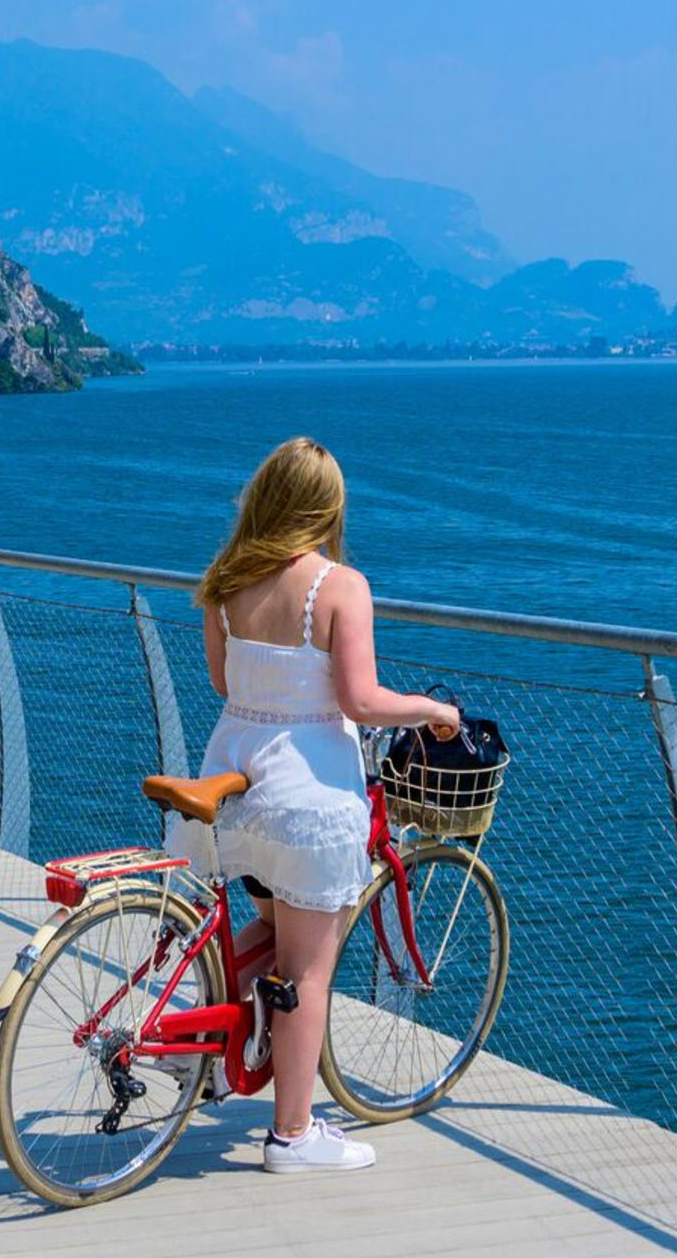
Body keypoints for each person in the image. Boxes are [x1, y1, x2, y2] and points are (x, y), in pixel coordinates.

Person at [169, 436, 464, 1174]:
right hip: (307, 799)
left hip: (233, 781)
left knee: (270, 930)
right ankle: (293, 1135)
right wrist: (432, 708)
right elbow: (360, 700)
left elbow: (220, 680)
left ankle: (185, 1033)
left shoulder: (223, 581)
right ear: (325, 507)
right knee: (307, 970)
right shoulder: (341, 586)